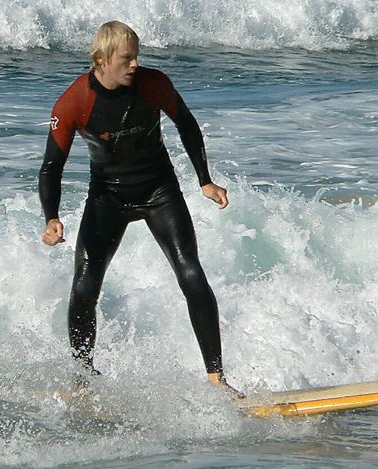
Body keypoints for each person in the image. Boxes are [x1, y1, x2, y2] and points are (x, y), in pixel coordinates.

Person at [38, 21, 240, 396]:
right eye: (126, 58)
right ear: (101, 61)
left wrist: (205, 180)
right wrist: (52, 217)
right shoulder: (74, 102)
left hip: (159, 189)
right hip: (107, 196)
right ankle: (82, 376)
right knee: (84, 285)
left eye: (137, 56)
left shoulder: (154, 84)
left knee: (191, 273)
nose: (135, 64)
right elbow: (52, 166)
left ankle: (216, 377)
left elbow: (188, 126)